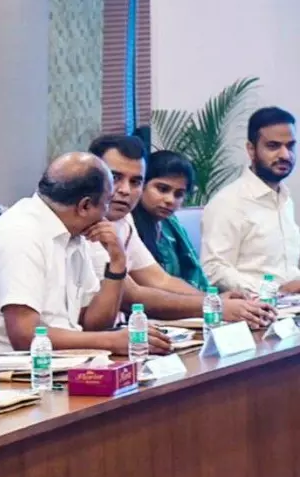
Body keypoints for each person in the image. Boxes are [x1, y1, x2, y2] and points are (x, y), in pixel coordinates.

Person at [0, 153, 172, 354]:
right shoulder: (20, 234)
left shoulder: (74, 232)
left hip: (43, 365)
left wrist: (117, 264)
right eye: (106, 203)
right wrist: (113, 341)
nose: (107, 213)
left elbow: (93, 323)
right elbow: (25, 337)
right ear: (84, 206)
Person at [86, 136, 270, 327]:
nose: (125, 190)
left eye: (135, 182)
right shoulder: (89, 224)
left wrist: (214, 300)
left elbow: (159, 279)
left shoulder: (123, 220)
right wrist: (215, 306)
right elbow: (131, 296)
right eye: (115, 178)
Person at [202, 107, 300, 294]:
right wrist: (276, 290)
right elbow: (214, 269)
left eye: (290, 146)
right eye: (273, 146)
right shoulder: (228, 202)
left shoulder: (285, 199)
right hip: (255, 310)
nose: (285, 155)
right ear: (251, 149)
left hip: (292, 307)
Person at [132, 151, 209, 291]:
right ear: (141, 185)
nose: (170, 200)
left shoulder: (171, 225)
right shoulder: (128, 226)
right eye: (162, 189)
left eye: (179, 194)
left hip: (188, 305)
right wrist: (211, 301)